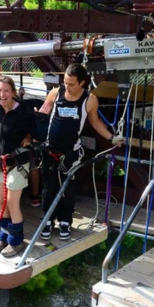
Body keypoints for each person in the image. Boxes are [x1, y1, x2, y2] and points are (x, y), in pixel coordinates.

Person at [37, 63, 123, 241]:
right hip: (51, 150)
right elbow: (43, 114)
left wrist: (111, 137)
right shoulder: (56, 92)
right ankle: (47, 219)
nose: (66, 87)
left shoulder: (89, 100)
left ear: (82, 83)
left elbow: (96, 122)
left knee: (66, 187)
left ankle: (65, 221)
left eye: (71, 84)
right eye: (65, 83)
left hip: (70, 152)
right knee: (49, 187)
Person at [0, 76, 37, 257]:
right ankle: (4, 236)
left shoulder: (23, 112)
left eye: (6, 91)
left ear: (13, 93)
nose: (2, 94)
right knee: (1, 203)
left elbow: (37, 129)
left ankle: (16, 241)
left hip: (17, 164)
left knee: (12, 203)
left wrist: (30, 137)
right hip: (0, 163)